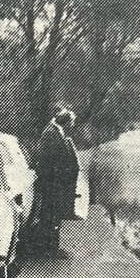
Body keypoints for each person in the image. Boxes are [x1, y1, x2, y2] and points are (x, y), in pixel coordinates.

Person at [32, 107, 79, 258]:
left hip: (51, 182)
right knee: (51, 216)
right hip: (51, 183)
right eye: (71, 122)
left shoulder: (53, 131)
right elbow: (51, 160)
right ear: (66, 121)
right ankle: (49, 250)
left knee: (52, 215)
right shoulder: (52, 133)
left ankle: (49, 248)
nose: (72, 126)